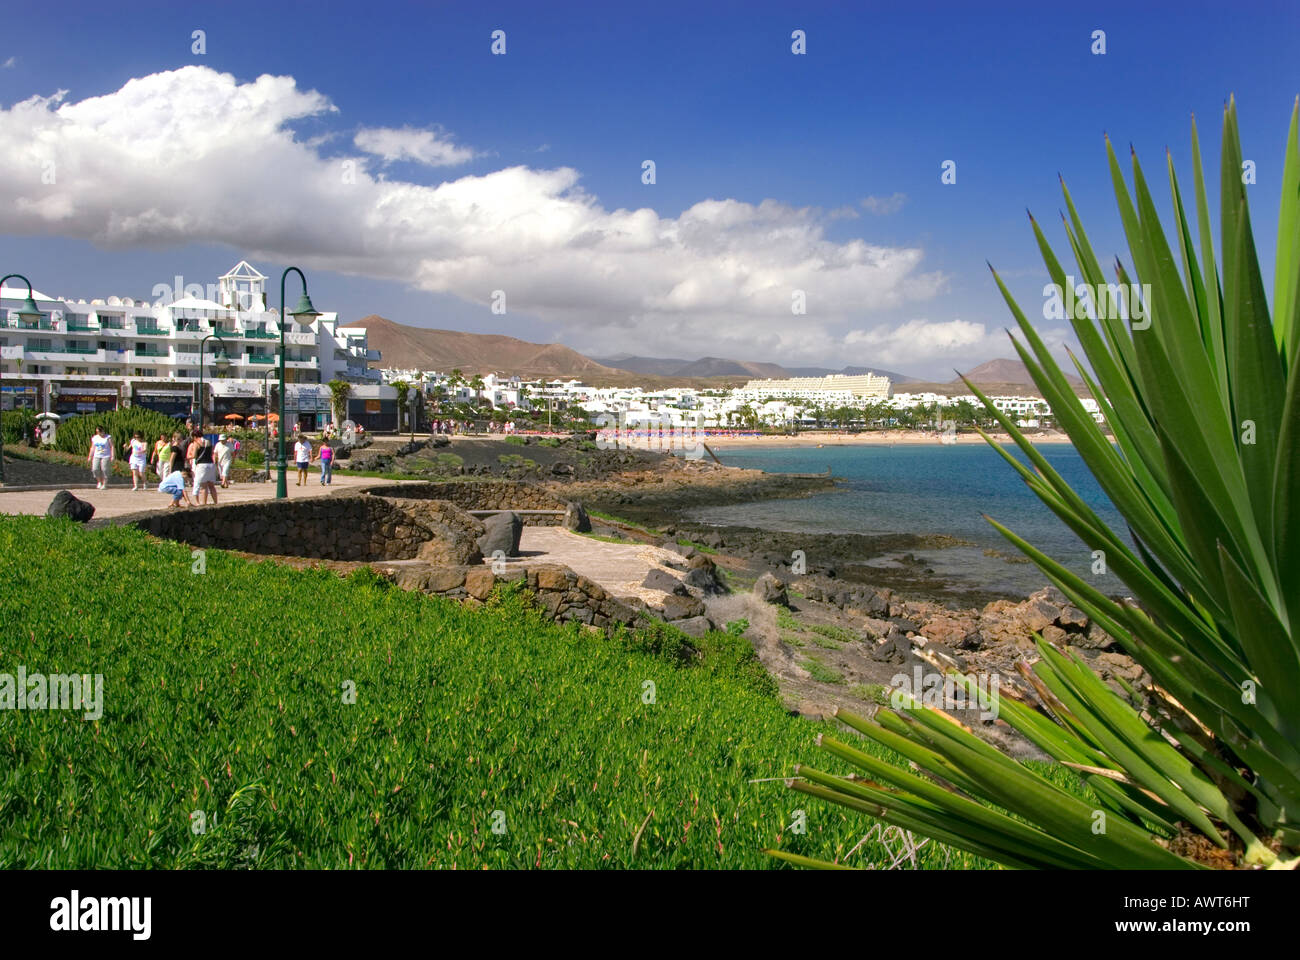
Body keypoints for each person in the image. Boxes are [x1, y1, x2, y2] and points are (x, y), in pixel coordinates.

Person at [191, 430, 219, 505]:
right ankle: (216, 502)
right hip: (210, 464)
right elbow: (211, 452)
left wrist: (188, 457)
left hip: (202, 465)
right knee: (211, 485)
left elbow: (194, 455)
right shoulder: (208, 441)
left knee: (203, 486)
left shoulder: (196, 443)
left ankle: (204, 503)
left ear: (195, 436)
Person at [86, 425, 114, 489]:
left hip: (106, 456)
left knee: (104, 469)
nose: (98, 433)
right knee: (95, 469)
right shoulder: (95, 438)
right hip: (97, 455)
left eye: (99, 431)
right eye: (97, 432)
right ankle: (99, 481)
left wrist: (112, 456)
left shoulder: (108, 437)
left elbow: (112, 446)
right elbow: (93, 447)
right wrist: (90, 456)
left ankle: (105, 483)